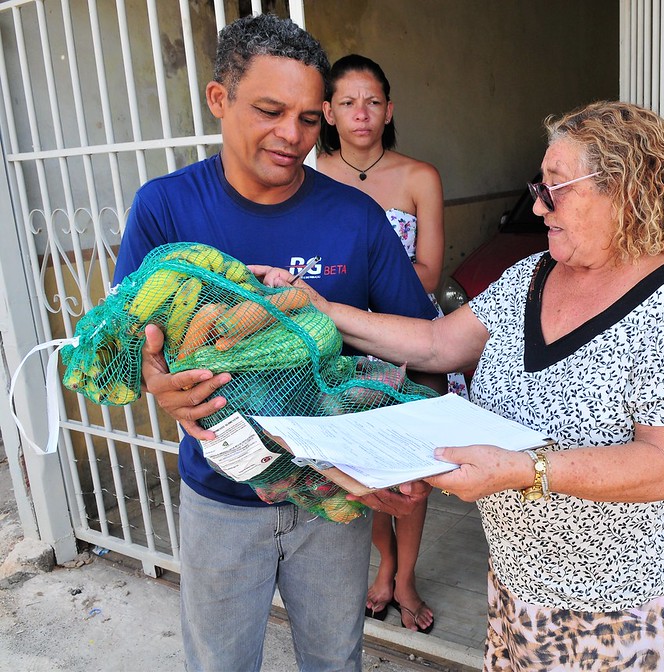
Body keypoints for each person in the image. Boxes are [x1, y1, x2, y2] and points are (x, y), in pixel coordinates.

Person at [261, 100, 664, 671]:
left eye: (555, 187)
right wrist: (325, 310)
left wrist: (525, 470)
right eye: (539, 183)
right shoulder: (531, 276)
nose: (537, 203)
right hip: (517, 588)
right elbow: (437, 344)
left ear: (625, 192)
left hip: (619, 609)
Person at [112, 13, 438, 672]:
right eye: (268, 110)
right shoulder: (166, 208)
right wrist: (157, 382)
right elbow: (124, 347)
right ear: (219, 100)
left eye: (308, 118)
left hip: (332, 504)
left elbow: (418, 353)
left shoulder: (353, 217)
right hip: (221, 500)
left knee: (334, 660)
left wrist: (397, 455)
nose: (292, 135)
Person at [316, 53, 460, 634]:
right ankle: (384, 564)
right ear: (327, 111)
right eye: (348, 102)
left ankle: (406, 578)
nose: (361, 113)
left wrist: (374, 300)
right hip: (342, 342)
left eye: (373, 101)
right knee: (364, 462)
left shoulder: (419, 176)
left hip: (411, 339)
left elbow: (428, 268)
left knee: (413, 462)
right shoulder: (310, 176)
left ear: (389, 109)